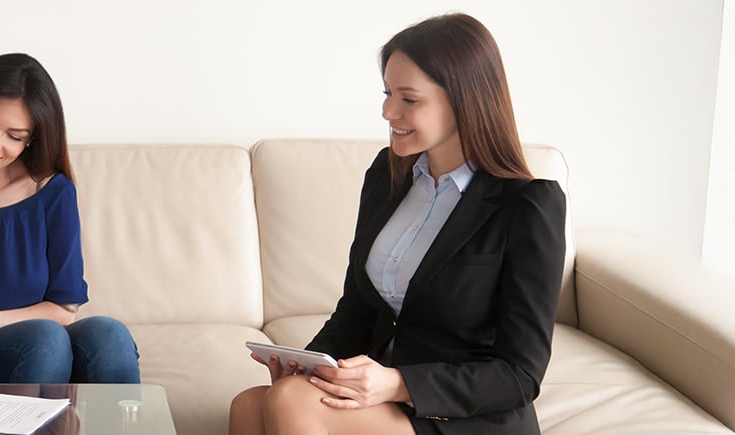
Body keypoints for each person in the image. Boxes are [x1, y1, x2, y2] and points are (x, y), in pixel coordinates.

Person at [229, 13, 566, 435]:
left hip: (462, 416)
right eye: (388, 93)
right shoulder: (387, 177)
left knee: (290, 403)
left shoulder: (529, 205)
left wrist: (398, 383)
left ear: (465, 100)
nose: (388, 111)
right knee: (249, 405)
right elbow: (356, 310)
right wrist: (309, 366)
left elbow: (520, 374)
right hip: (382, 396)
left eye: (409, 99)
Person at [0, 53, 141, 384]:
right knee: (44, 340)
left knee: (108, 333)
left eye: (14, 136)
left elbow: (63, 309)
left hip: (25, 342)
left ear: (32, 138)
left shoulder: (52, 191)